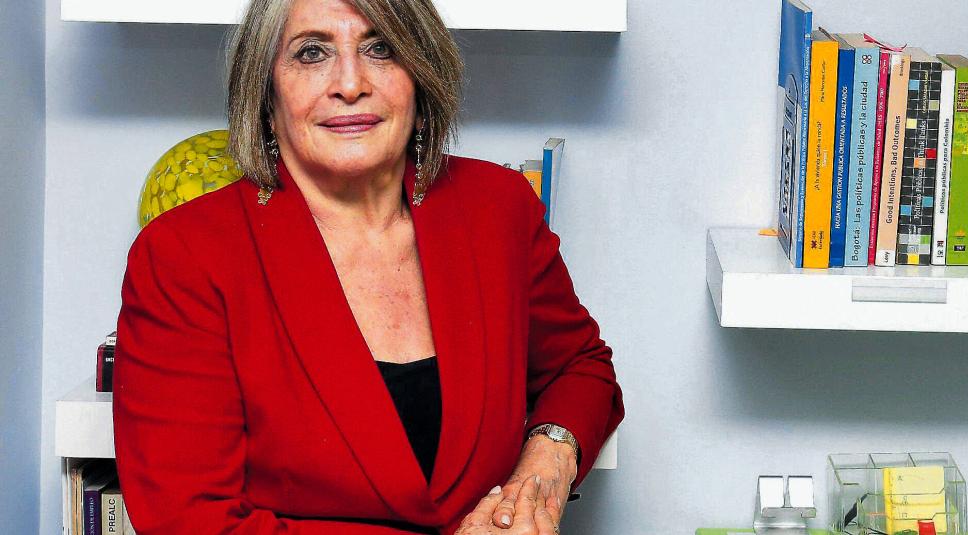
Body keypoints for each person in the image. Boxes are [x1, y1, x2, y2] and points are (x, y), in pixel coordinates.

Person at [112, 0, 624, 534]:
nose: (351, 84)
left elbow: (579, 366)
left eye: (381, 48)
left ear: (421, 76)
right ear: (265, 94)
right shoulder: (184, 255)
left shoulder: (499, 207)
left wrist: (544, 469)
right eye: (312, 53)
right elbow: (189, 519)